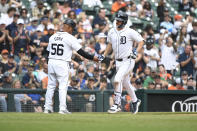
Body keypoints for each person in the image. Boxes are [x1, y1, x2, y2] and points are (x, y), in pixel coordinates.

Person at [44, 18, 100, 114]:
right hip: (62, 63)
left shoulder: (53, 36)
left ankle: (47, 107)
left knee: (51, 86)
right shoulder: (70, 38)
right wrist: (93, 58)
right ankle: (62, 109)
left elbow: (48, 51)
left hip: (51, 61)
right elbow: (82, 52)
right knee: (63, 86)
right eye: (72, 28)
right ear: (69, 27)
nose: (72, 31)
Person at [103, 11, 144, 114]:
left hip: (128, 60)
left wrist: (136, 51)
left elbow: (141, 41)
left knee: (117, 80)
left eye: (119, 21)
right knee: (126, 83)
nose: (117, 22)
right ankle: (135, 101)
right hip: (118, 62)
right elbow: (109, 44)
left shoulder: (130, 31)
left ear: (124, 22)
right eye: (116, 20)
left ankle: (116, 104)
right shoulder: (112, 31)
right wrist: (104, 54)